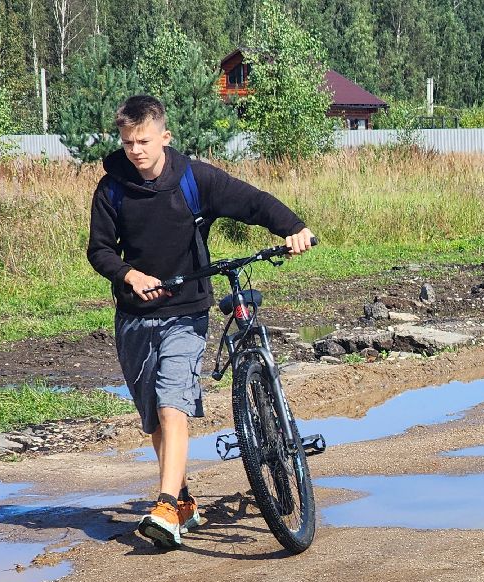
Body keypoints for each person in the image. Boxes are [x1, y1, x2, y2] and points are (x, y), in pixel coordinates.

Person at [87, 94, 314, 550]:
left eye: (144, 140)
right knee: (153, 415)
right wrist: (130, 275)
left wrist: (293, 226)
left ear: (165, 137)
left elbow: (251, 201)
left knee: (173, 404)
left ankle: (167, 503)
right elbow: (100, 250)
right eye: (128, 142)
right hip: (133, 316)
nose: (135, 150)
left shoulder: (194, 179)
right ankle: (184, 500)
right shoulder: (111, 189)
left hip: (186, 310)